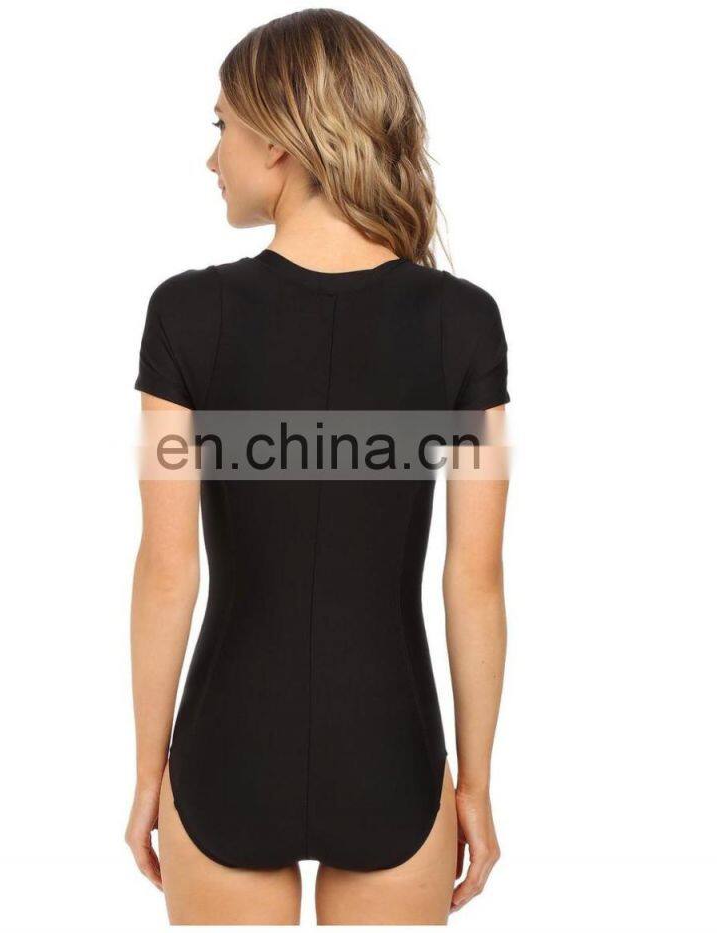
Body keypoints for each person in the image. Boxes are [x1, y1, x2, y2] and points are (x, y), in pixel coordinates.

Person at [126, 9, 509, 924]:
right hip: (392, 751)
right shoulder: (462, 321)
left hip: (226, 749)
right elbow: (475, 577)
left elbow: (169, 569)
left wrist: (147, 774)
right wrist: (475, 784)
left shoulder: (188, 314)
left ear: (280, 139)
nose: (212, 156)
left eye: (221, 125)